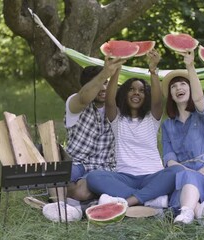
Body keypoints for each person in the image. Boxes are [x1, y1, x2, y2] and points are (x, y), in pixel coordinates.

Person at [86, 49, 183, 208]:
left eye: (141, 90)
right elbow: (110, 101)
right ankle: (150, 199)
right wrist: (116, 69)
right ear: (124, 94)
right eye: (131, 89)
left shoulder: (152, 118)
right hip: (125, 176)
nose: (136, 93)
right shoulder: (117, 119)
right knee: (94, 177)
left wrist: (153, 70)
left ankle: (130, 201)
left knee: (177, 171)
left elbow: (158, 102)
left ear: (146, 96)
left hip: (153, 175)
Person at [39, 57, 126, 222]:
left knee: (80, 192)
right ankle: (63, 207)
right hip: (75, 162)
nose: (103, 87)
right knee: (56, 174)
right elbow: (84, 98)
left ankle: (64, 199)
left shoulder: (116, 108)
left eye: (106, 83)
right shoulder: (75, 103)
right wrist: (105, 72)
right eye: (99, 83)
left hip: (102, 167)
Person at [161, 50, 204, 228]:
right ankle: (200, 212)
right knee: (185, 179)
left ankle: (186, 213)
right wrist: (186, 171)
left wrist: (190, 66)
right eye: (174, 86)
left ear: (191, 88)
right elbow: (169, 159)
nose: (179, 88)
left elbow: (199, 99)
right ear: (170, 95)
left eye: (183, 84)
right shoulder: (167, 125)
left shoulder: (203, 116)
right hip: (180, 175)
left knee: (185, 188)